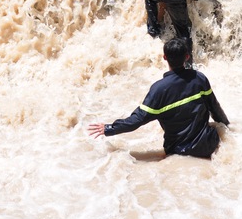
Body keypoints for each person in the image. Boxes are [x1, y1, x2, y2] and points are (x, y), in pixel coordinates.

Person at [88, 37, 229, 158]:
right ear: (187, 57)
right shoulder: (199, 79)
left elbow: (137, 120)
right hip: (207, 146)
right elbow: (214, 108)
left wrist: (109, 128)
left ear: (164, 57)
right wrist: (228, 128)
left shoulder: (159, 90)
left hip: (177, 152)